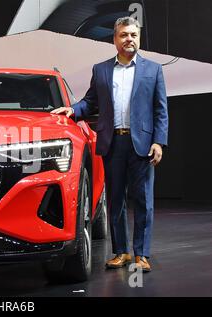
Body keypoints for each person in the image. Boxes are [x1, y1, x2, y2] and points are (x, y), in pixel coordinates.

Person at [51, 16, 168, 272]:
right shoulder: (101, 70)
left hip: (143, 145)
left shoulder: (153, 70)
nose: (129, 39)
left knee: (143, 201)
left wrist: (159, 142)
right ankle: (122, 252)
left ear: (139, 38)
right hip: (112, 143)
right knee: (115, 201)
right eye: (124, 35)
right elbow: (90, 102)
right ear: (114, 39)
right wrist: (72, 110)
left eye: (134, 35)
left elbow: (161, 110)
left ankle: (141, 255)